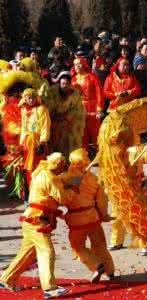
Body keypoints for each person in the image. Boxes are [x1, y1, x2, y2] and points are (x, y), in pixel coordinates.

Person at [0, 153, 77, 299]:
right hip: (37, 221)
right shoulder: (51, 178)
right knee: (47, 251)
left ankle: (6, 279)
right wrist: (73, 188)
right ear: (58, 165)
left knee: (28, 254)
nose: (64, 168)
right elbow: (63, 198)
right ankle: (50, 288)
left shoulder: (41, 170)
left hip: (31, 219)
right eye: (63, 165)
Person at [61, 149, 115, 282]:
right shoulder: (94, 178)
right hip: (93, 217)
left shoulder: (64, 178)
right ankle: (110, 271)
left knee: (78, 247)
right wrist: (103, 215)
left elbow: (58, 197)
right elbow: (102, 201)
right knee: (100, 245)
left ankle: (97, 266)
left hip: (76, 220)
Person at [45, 72, 86, 158]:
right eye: (62, 83)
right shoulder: (52, 92)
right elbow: (48, 107)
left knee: (69, 143)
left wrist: (68, 116)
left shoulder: (75, 93)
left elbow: (78, 109)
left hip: (68, 123)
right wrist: (55, 116)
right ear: (59, 83)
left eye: (67, 84)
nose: (64, 86)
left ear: (70, 84)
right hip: (54, 123)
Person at [19, 89, 51, 186]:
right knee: (28, 167)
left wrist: (42, 142)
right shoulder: (23, 110)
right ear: (25, 99)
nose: (31, 100)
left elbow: (45, 126)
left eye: (33, 97)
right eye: (29, 98)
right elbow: (23, 128)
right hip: (27, 144)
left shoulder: (42, 109)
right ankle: (30, 188)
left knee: (38, 166)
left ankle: (39, 188)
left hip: (37, 143)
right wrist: (21, 144)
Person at [71, 57, 104, 153]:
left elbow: (99, 93)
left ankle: (100, 153)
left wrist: (99, 109)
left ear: (84, 65)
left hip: (92, 107)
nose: (77, 66)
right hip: (79, 109)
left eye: (79, 64)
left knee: (95, 132)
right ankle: (84, 154)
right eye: (75, 64)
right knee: (82, 132)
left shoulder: (92, 77)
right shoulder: (73, 79)